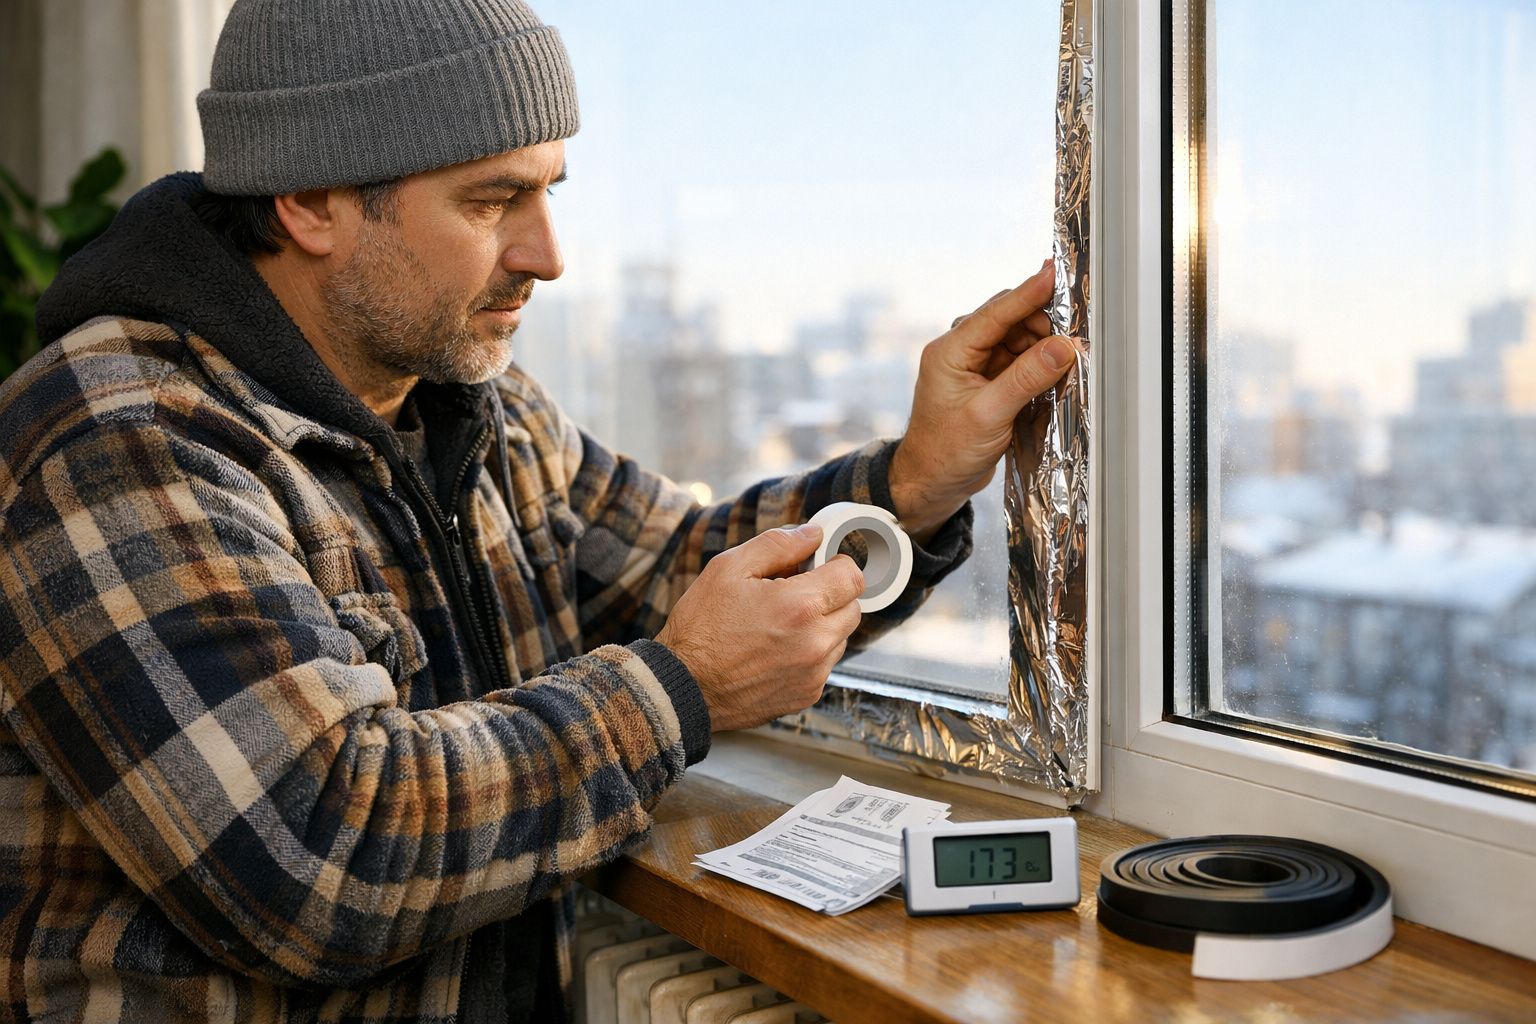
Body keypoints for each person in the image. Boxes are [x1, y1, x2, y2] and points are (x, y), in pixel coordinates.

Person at [0, 1, 1081, 1020]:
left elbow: (674, 568)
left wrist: (912, 485)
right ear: (309, 202)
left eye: (549, 191)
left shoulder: (475, 405)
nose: (547, 255)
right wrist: (682, 688)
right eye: (489, 200)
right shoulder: (115, 435)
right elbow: (315, 854)